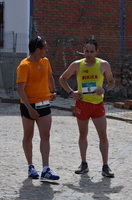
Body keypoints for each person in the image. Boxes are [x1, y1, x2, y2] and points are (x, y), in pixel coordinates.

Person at [59, 39, 115, 177]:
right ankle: (84, 164)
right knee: (83, 134)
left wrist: (105, 89)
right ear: (83, 50)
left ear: (97, 51)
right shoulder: (77, 65)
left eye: (91, 51)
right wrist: (72, 93)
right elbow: (62, 79)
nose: (88, 54)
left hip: (97, 105)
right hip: (82, 104)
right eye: (86, 51)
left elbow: (112, 82)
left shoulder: (103, 64)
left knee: (103, 135)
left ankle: (105, 166)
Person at [16, 36, 60, 180]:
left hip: (44, 104)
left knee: (45, 136)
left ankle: (46, 169)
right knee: (28, 136)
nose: (47, 50)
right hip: (29, 106)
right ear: (37, 50)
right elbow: (20, 90)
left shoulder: (45, 61)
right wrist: (29, 108)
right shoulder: (24, 65)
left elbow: (50, 77)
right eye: (44, 48)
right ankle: (30, 166)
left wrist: (53, 91)